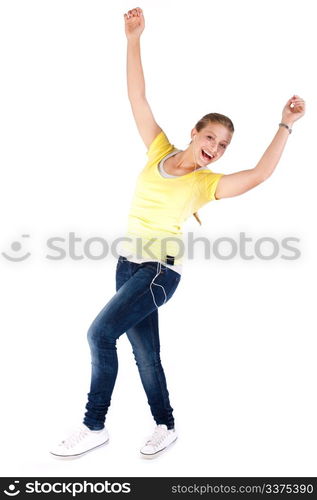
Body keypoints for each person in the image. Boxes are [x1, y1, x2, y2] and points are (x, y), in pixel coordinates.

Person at [49, 7, 305, 459]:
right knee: (145, 353)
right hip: (127, 264)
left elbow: (260, 174)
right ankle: (165, 425)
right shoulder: (159, 150)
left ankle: (94, 424)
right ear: (195, 132)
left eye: (224, 146)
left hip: (158, 272)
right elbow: (137, 98)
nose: (215, 150)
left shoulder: (205, 185)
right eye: (211, 139)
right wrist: (134, 39)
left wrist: (285, 124)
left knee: (99, 335)